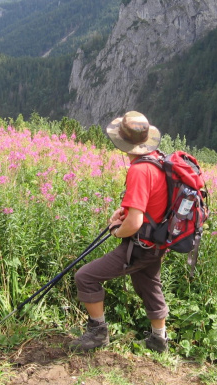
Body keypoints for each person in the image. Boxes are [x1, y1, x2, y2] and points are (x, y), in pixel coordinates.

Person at [70, 111, 169, 353]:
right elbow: (150, 202)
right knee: (149, 285)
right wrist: (124, 210)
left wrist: (117, 231)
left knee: (86, 277)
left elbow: (134, 223)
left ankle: (98, 334)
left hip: (140, 245)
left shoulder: (138, 170)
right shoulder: (158, 159)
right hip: (158, 242)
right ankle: (159, 340)